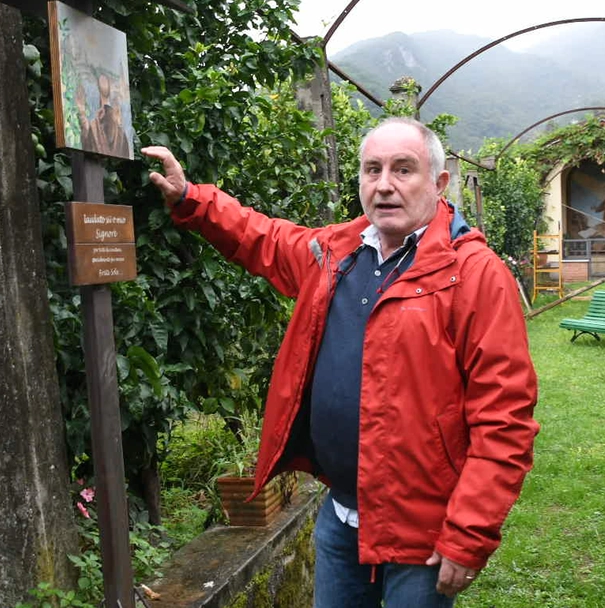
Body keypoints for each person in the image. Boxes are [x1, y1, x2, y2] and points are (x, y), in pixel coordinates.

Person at [141, 117, 538, 607]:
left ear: (438, 184)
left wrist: (469, 534)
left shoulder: (474, 275)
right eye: (372, 170)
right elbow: (264, 238)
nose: (385, 185)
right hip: (341, 518)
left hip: (422, 535)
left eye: (403, 169)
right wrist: (192, 199)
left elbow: (505, 419)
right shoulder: (335, 253)